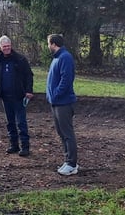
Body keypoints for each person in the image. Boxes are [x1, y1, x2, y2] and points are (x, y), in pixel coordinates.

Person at [0, 35, 34, 156]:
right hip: (5, 96)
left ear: (11, 45)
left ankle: (25, 147)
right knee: (10, 122)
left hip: (19, 96)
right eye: (4, 47)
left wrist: (29, 91)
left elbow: (29, 76)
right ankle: (13, 145)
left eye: (8, 46)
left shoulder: (20, 59)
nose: (6, 48)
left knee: (21, 122)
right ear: (0, 47)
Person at [46, 33, 78, 175]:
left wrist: (57, 94)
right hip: (56, 102)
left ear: (53, 44)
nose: (48, 46)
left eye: (48, 44)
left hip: (63, 103)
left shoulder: (65, 57)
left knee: (67, 133)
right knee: (61, 133)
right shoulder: (57, 58)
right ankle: (68, 161)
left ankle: (72, 164)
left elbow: (66, 79)